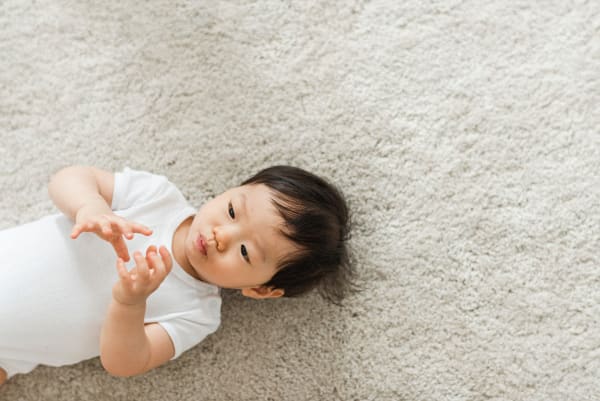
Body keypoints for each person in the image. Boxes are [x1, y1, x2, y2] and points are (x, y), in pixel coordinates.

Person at [0, 165, 354, 385]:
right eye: (232, 210)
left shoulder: (196, 314)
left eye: (245, 252)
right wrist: (90, 206)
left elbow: (124, 363)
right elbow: (69, 177)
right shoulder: (157, 197)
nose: (222, 236)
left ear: (261, 289)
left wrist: (130, 303)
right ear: (230, 190)